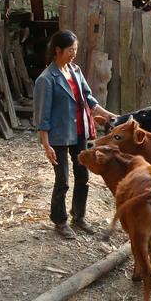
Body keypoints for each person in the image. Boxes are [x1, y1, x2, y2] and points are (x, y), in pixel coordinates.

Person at [34, 30, 115, 239]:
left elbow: (88, 98)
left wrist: (107, 115)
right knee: (62, 180)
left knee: (83, 176)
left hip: (80, 132)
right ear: (58, 50)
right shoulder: (46, 79)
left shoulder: (75, 70)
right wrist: (46, 144)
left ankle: (79, 216)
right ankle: (60, 221)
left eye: (76, 50)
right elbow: (42, 116)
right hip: (58, 136)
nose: (74, 54)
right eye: (71, 50)